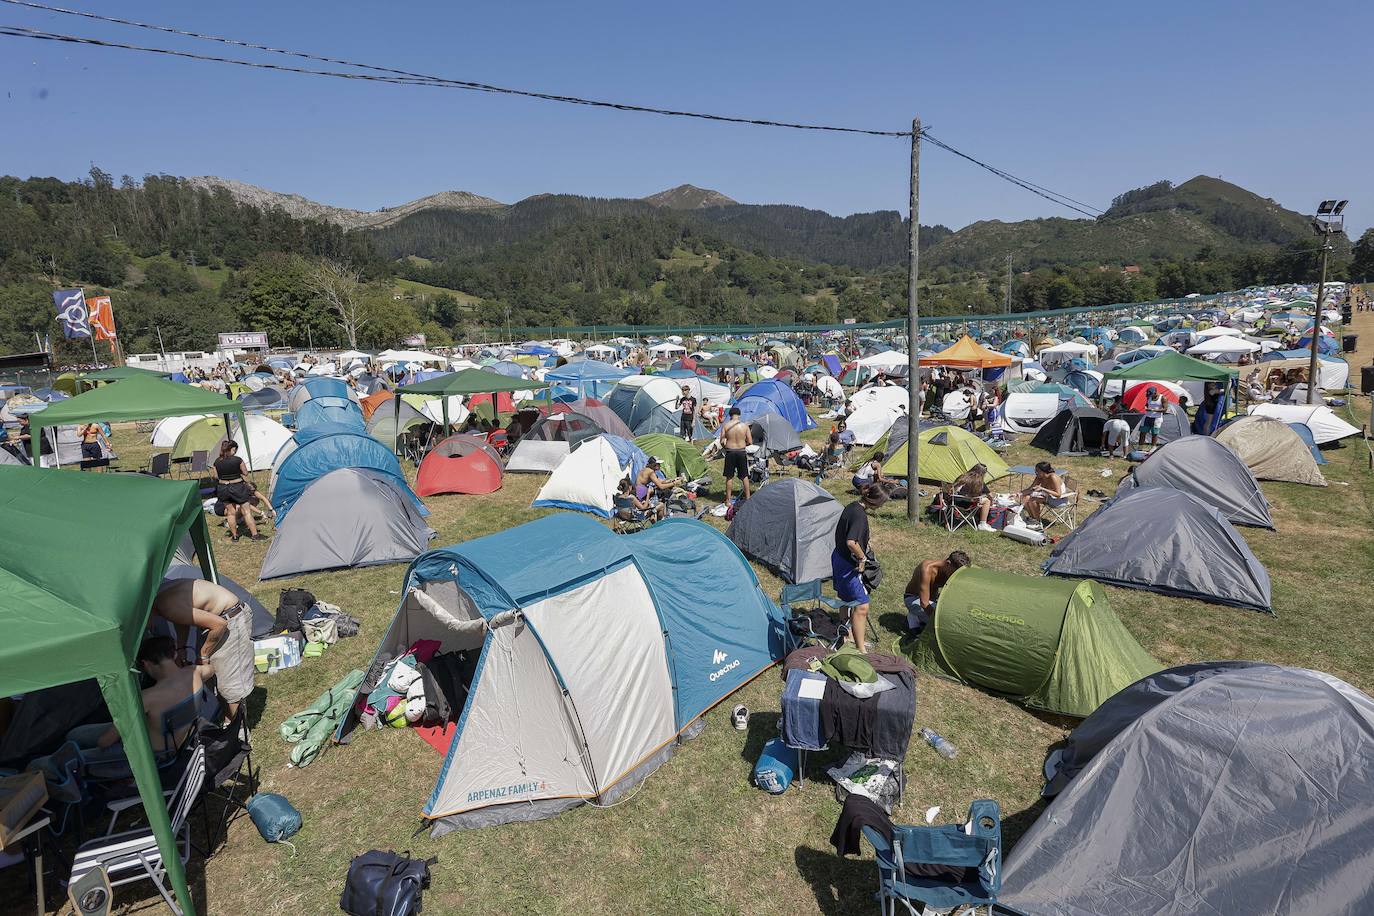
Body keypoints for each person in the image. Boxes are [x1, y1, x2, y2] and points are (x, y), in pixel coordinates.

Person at [28, 637, 214, 780]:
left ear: (146, 664)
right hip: (170, 744)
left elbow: (105, 742)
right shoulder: (194, 673)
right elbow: (211, 669)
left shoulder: (147, 697)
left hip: (145, 758)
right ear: (174, 654)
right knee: (76, 734)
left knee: (37, 764)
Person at [152, 577, 256, 719]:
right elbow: (181, 618)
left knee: (229, 683)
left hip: (230, 619)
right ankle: (228, 720)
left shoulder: (166, 605)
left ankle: (238, 731)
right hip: (213, 622)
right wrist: (181, 647)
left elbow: (220, 625)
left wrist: (203, 654)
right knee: (212, 675)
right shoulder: (160, 600)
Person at [830, 486, 888, 652]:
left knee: (845, 599)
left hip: (838, 557)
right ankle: (861, 648)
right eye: (881, 503)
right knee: (862, 606)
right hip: (849, 565)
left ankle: (847, 636)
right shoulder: (860, 516)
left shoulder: (852, 506)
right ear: (875, 501)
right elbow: (851, 542)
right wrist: (862, 558)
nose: (882, 506)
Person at [903, 551, 971, 633]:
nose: (956, 576)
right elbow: (924, 603)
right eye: (954, 572)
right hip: (914, 598)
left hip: (932, 600)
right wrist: (938, 622)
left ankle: (920, 618)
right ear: (948, 563)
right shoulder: (927, 569)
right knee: (945, 624)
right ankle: (915, 617)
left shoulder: (950, 570)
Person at [212, 440, 262, 541]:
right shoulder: (238, 460)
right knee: (246, 511)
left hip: (223, 488)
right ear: (233, 449)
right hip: (237, 487)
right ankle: (255, 535)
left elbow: (215, 476)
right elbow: (245, 473)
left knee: (231, 513)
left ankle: (235, 536)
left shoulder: (217, 462)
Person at [719, 406, 752, 503]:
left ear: (730, 415)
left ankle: (728, 500)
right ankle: (748, 498)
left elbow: (721, 441)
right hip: (741, 451)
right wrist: (743, 443)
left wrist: (725, 446)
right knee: (744, 476)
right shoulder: (745, 426)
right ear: (739, 415)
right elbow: (750, 441)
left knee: (729, 476)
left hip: (730, 451)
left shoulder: (726, 425)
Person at [1019, 461, 1065, 528]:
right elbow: (1030, 489)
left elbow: (1058, 494)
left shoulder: (1053, 477)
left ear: (1043, 471)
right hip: (1046, 495)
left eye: (1037, 471)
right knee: (1025, 497)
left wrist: (1042, 489)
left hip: (1057, 499)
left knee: (1032, 500)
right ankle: (1033, 518)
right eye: (1035, 471)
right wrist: (1018, 493)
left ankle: (1037, 522)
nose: (1035, 472)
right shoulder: (1039, 477)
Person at [951, 463, 995, 531]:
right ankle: (983, 524)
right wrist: (991, 503)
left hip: (953, 502)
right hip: (965, 504)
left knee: (978, 499)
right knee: (987, 501)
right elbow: (990, 496)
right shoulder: (978, 482)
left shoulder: (962, 477)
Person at [1138, 386, 1165, 450]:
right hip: (1147, 417)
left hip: (1156, 418)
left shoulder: (1163, 398)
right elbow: (1147, 404)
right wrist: (1146, 407)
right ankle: (1140, 448)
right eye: (1148, 395)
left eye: (1151, 395)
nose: (1150, 396)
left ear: (1155, 393)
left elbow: (1165, 409)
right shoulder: (1149, 397)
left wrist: (1153, 410)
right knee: (1142, 432)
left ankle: (1153, 448)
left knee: (1154, 434)